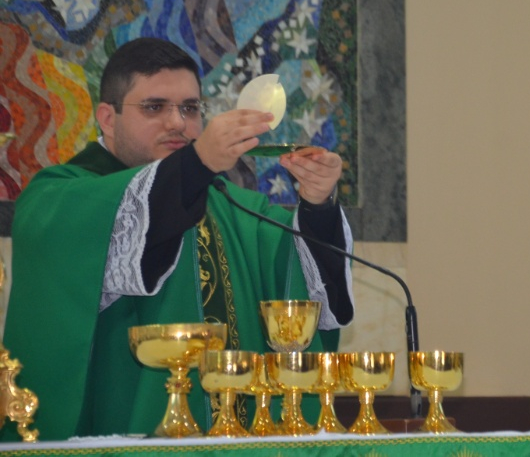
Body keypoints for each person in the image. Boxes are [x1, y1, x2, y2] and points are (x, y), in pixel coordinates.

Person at [2, 38, 355, 440]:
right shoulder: (58, 198)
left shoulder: (230, 205)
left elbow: (298, 276)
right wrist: (197, 162)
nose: (177, 123)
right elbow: (133, 216)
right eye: (154, 107)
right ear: (108, 117)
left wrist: (318, 204)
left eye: (190, 108)